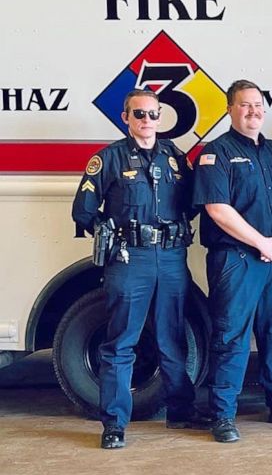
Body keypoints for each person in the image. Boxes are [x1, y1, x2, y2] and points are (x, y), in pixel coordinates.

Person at [71, 89, 206, 449]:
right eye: (140, 114)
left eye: (153, 114)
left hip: (172, 257)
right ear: (126, 118)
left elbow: (192, 201)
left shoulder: (175, 157)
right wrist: (113, 231)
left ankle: (181, 410)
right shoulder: (109, 159)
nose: (147, 121)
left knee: (172, 337)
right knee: (121, 343)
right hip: (131, 259)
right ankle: (114, 423)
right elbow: (82, 210)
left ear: (161, 118)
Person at [193, 80, 272, 444]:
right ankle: (223, 414)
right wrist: (262, 242)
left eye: (258, 105)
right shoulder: (215, 153)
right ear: (231, 109)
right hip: (236, 260)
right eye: (245, 105)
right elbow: (217, 208)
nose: (253, 111)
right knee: (231, 335)